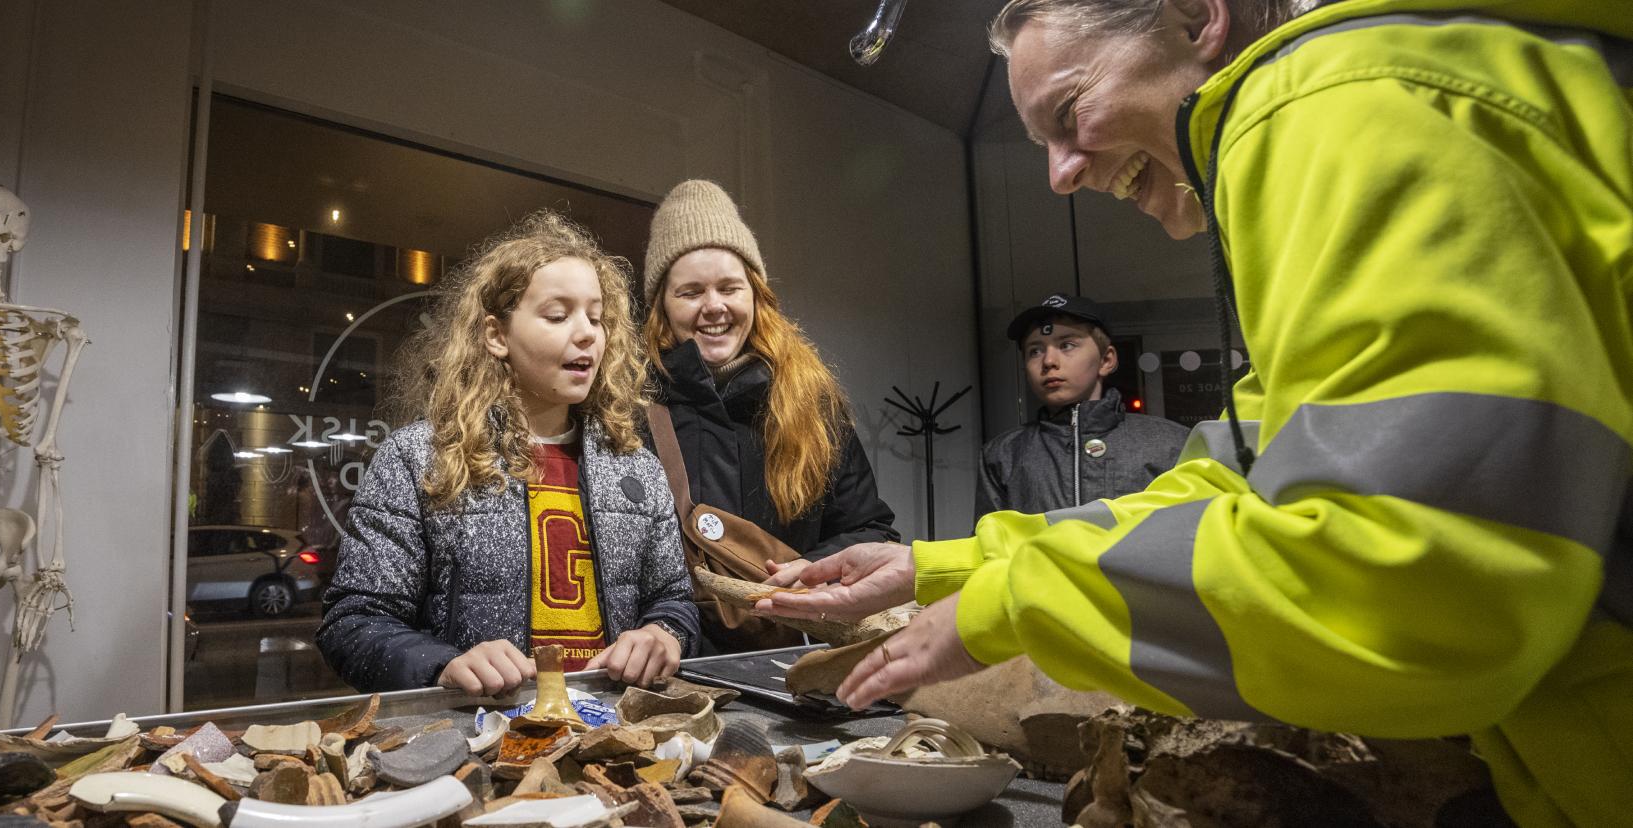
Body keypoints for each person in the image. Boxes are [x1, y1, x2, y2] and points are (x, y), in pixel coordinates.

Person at [760, 1, 1633, 825]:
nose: (1061, 175)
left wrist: (1017, 604)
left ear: (1196, 17)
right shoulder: (1362, 107)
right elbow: (1224, 485)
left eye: (1069, 112)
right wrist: (937, 568)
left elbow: (1421, 589)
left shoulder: (1328, 106)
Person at [318, 211, 698, 696]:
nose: (587, 333)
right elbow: (352, 622)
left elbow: (673, 600)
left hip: (611, 733)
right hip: (477, 742)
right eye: (558, 315)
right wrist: (443, 665)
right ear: (497, 336)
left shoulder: (636, 466)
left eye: (597, 318)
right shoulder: (421, 457)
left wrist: (663, 635)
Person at [641, 180, 899, 622]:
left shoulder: (810, 404)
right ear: (661, 306)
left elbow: (870, 529)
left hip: (786, 655)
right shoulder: (628, 410)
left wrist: (815, 570)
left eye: (730, 288)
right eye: (690, 292)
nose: (714, 306)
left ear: (757, 296)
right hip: (666, 662)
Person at [977, 292, 1187, 518]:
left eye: (1067, 345)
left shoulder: (1170, 444)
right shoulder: (1003, 454)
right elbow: (990, 545)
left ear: (1106, 360)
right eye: (1035, 351)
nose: (1048, 361)